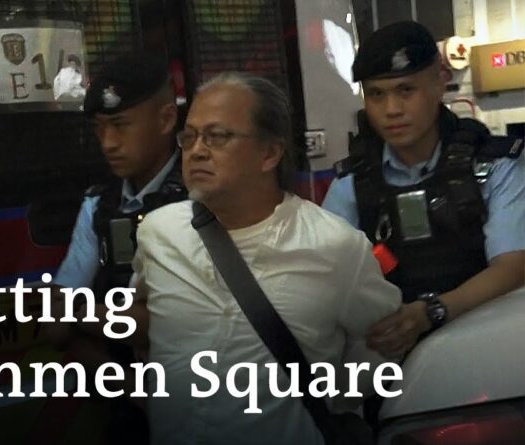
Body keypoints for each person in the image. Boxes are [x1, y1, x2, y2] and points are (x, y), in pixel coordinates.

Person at [130, 72, 401, 444]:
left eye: (217, 136)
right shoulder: (159, 233)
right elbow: (148, 319)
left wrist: (323, 402)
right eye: (189, 137)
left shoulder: (334, 246)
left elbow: (382, 347)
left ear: (270, 153)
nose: (197, 151)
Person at [322, 21, 525, 359]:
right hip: (392, 356)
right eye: (376, 94)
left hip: (491, 347)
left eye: (406, 90)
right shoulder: (351, 184)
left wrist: (430, 313)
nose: (392, 110)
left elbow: (513, 266)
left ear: (439, 82)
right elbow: (325, 274)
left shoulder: (494, 166)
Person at [44, 53, 185, 444]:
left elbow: (171, 326)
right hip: (128, 407)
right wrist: (136, 394)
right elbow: (55, 324)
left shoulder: (200, 199)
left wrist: (84, 315)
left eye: (121, 126)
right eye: (99, 129)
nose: (107, 143)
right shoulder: (98, 206)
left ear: (166, 120)